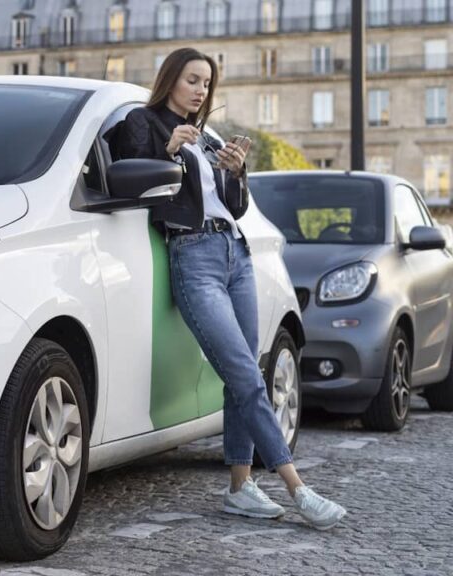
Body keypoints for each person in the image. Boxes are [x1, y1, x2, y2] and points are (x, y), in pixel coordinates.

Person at [114, 47, 346, 530]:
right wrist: (168, 151)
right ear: (171, 79)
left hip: (235, 254)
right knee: (243, 374)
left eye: (206, 83)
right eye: (192, 80)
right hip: (193, 257)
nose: (200, 90)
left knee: (247, 374)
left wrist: (234, 171)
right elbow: (130, 176)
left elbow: (232, 209)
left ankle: (241, 487)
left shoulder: (204, 139)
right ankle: (297, 488)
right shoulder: (145, 122)